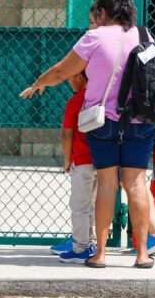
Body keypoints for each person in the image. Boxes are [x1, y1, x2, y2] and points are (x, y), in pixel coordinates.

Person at [21, 0, 155, 269]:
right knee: (136, 184)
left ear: (102, 12)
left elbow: (62, 71)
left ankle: (100, 254)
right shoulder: (144, 35)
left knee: (107, 183)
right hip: (140, 120)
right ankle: (142, 254)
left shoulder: (94, 37)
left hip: (102, 121)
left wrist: (38, 83)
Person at [58, 72, 97, 263]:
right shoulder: (102, 97)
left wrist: (67, 160)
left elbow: (67, 134)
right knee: (95, 205)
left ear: (80, 77)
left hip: (82, 160)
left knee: (80, 206)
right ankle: (93, 243)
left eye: (71, 77)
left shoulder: (76, 101)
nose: (69, 81)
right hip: (104, 161)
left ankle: (81, 248)